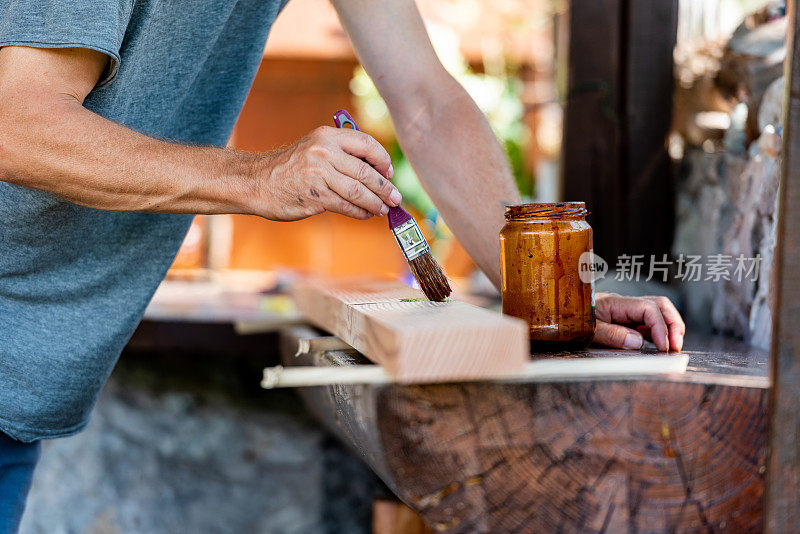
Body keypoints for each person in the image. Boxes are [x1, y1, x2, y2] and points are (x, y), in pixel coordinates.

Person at [0, 0, 685, 529]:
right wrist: (259, 178)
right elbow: (17, 124)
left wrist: (548, 296)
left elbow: (427, 101)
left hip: (23, 383)